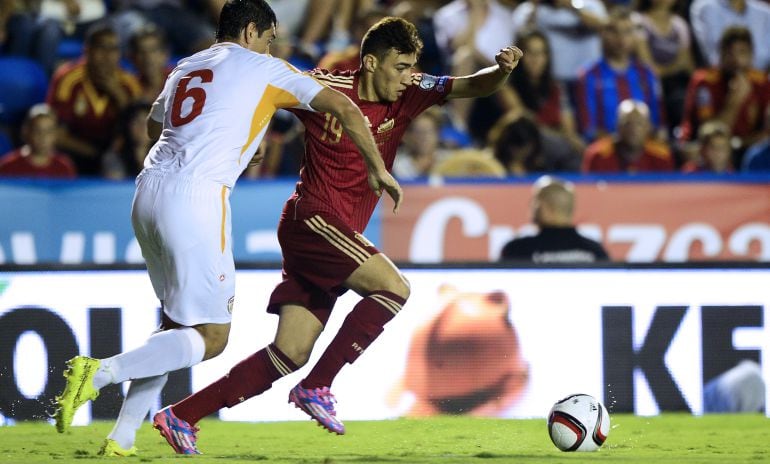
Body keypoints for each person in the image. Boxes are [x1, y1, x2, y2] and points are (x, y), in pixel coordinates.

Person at [153, 16, 523, 454]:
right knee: (393, 289)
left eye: (411, 67)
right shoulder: (324, 88)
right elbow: (259, 96)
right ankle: (317, 387)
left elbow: (472, 86)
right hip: (312, 219)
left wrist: (500, 72)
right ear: (370, 62)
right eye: (400, 67)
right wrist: (243, 144)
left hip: (333, 232)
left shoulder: (412, 92)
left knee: (288, 352)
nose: (407, 78)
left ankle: (180, 415)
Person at [52, 0, 399, 457]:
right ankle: (99, 374)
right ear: (252, 32)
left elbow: (158, 121)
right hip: (196, 198)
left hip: (148, 191)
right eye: (270, 38)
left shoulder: (187, 65)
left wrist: (236, 136)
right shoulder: (264, 67)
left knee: (178, 324)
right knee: (212, 337)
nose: (272, 47)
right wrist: (378, 167)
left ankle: (122, 437)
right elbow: (345, 108)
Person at [46, 22, 142, 176]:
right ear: (87, 50)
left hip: (115, 152)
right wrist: (97, 154)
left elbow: (139, 130)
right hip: (75, 151)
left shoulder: (128, 83)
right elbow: (57, 134)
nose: (108, 55)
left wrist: (118, 95)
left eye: (114, 49)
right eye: (101, 47)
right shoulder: (68, 79)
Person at [576, 6, 664, 142]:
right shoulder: (589, 75)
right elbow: (588, 128)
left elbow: (658, 122)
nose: (621, 38)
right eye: (614, 31)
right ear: (603, 34)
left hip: (644, 150)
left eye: (627, 32)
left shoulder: (646, 74)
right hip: (605, 152)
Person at [679, 26, 770, 153]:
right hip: (706, 150)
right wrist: (734, 101)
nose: (736, 59)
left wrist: (740, 143)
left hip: (749, 148)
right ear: (720, 54)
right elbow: (708, 134)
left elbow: (766, 132)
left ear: (751, 55)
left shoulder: (762, 82)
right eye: (730, 53)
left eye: (742, 52)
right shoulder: (705, 81)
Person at [499, 175, 609, 263]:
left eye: (535, 201)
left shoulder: (517, 250)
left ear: (547, 208)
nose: (531, 206)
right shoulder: (595, 252)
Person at [582, 99, 674, 173]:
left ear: (648, 127)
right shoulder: (597, 155)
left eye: (639, 124)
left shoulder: (662, 156)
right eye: (627, 123)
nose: (633, 129)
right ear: (617, 126)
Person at [0, 103, 76, 178]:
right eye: (37, 130)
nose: (43, 136)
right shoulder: (7, 166)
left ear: (55, 134)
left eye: (48, 131)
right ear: (26, 132)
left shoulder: (64, 167)